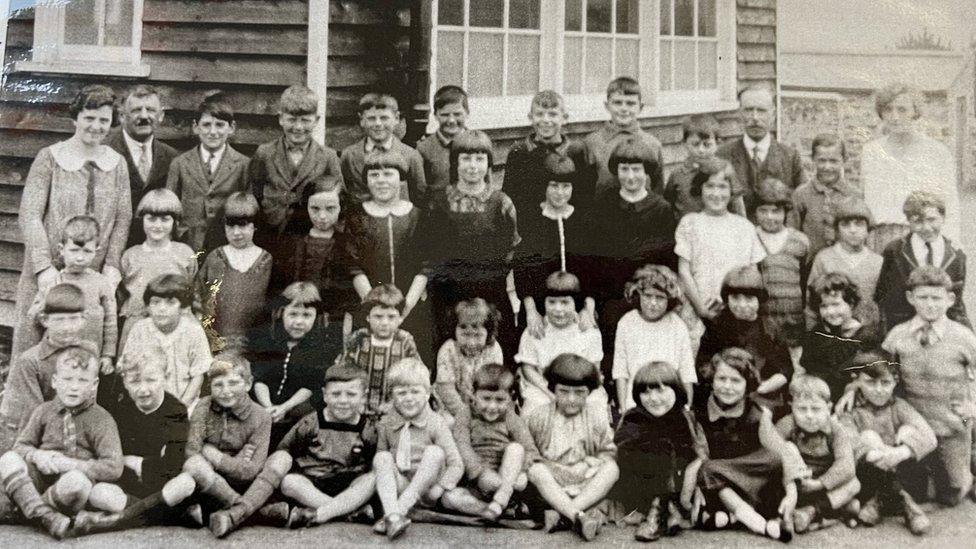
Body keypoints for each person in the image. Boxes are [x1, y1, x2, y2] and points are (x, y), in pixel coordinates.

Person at [13, 84, 131, 360]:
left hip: (92, 273)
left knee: (82, 347)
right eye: (89, 118)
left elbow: (123, 219)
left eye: (103, 120)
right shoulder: (50, 157)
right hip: (49, 270)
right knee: (35, 348)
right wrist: (43, 268)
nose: (96, 126)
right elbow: (29, 215)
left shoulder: (117, 163)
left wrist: (112, 265)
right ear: (75, 118)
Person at [0, 345, 124, 539]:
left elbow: (114, 467)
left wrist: (73, 465)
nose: (74, 386)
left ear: (94, 384)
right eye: (67, 379)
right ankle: (45, 516)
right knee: (8, 458)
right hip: (37, 480)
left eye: (82, 380)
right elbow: (20, 446)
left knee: (77, 482)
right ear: (55, 381)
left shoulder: (102, 419)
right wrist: (37, 455)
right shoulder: (43, 411)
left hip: (68, 489)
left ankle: (25, 510)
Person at [878, 266, 976, 507]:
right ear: (911, 298)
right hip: (913, 427)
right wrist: (852, 390)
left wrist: (973, 407)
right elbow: (878, 372)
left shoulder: (963, 337)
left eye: (936, 298)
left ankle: (966, 469)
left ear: (950, 299)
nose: (930, 305)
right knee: (915, 493)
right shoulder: (897, 336)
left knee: (951, 495)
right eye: (923, 298)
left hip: (952, 425)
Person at [424, 129, 520, 354]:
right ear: (455, 162)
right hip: (448, 295)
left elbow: (510, 251)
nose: (472, 165)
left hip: (490, 293)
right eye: (466, 158)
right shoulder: (438, 202)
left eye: (479, 158)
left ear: (488, 163)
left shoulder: (501, 203)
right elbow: (429, 250)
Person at [694, 348, 805, 542]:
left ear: (748, 385)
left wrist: (792, 493)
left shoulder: (757, 414)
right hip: (719, 482)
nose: (728, 386)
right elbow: (700, 454)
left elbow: (781, 452)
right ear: (712, 380)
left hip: (750, 478)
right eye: (722, 379)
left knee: (774, 459)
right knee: (706, 468)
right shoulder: (701, 413)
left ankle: (730, 517)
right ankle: (757, 523)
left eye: (736, 381)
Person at [591, 138, 677, 366]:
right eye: (624, 169)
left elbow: (668, 260)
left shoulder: (660, 209)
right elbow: (595, 258)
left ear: (647, 172)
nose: (630, 176)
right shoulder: (603, 205)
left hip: (647, 298)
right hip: (611, 298)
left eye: (636, 169)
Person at [836, 350, 938, 535]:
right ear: (856, 379)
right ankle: (907, 506)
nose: (879, 389)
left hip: (903, 473)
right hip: (868, 477)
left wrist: (899, 453)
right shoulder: (850, 409)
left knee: (908, 431)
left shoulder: (899, 406)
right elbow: (848, 439)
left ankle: (880, 502)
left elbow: (929, 437)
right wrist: (876, 454)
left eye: (886, 383)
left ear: (895, 381)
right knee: (868, 437)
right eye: (870, 382)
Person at [346, 149, 430, 358]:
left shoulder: (418, 216)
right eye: (374, 175)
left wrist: (405, 307)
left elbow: (426, 265)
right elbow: (353, 265)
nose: (381, 181)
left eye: (388, 174)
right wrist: (374, 305)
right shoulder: (357, 217)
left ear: (401, 178)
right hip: (371, 311)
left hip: (411, 307)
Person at [525, 353, 618, 541]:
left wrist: (594, 461)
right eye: (564, 391)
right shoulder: (539, 416)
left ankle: (565, 513)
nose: (572, 399)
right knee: (535, 470)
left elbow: (609, 451)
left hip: (583, 481)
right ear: (553, 390)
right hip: (552, 483)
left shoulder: (596, 416)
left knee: (612, 469)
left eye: (579, 393)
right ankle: (578, 515)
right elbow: (528, 451)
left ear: (589, 392)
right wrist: (545, 464)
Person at [611, 362, 707, 543]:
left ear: (677, 390)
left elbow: (700, 453)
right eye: (646, 392)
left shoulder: (685, 417)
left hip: (679, 485)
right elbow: (621, 450)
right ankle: (657, 512)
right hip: (641, 485)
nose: (653, 398)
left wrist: (688, 489)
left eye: (661, 390)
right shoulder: (634, 417)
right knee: (657, 446)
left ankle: (671, 510)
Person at [861, 82, 960, 252]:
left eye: (902, 109)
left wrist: (952, 246)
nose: (894, 117)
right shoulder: (871, 151)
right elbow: (865, 201)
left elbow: (950, 204)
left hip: (924, 235)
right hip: (880, 238)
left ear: (915, 112)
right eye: (888, 109)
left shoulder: (937, 152)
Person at [372, 357, 464, 540]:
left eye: (415, 392)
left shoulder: (436, 423)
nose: (408, 398)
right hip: (403, 486)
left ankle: (395, 513)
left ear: (427, 393)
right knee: (381, 457)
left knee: (435, 452)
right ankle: (394, 515)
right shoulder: (387, 424)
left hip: (429, 490)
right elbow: (381, 467)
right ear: (391, 396)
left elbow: (456, 465)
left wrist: (440, 487)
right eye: (401, 393)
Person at [277, 363, 378, 528]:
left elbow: (373, 460)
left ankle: (322, 512)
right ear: (325, 395)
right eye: (336, 394)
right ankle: (349, 513)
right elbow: (285, 450)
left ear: (363, 397)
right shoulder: (310, 423)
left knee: (373, 479)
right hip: (314, 483)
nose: (343, 401)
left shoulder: (367, 428)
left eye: (351, 394)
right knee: (289, 482)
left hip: (349, 486)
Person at [99, 351, 189, 527]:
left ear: (165, 377)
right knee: (100, 493)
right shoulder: (119, 407)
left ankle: (127, 518)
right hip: (129, 487)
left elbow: (172, 465)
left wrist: (134, 461)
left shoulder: (176, 411)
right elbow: (111, 458)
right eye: (134, 381)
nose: (143, 389)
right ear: (124, 382)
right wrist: (148, 463)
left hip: (163, 487)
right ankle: (165, 516)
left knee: (185, 483)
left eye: (151, 380)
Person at [248, 282, 343, 447]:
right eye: (293, 314)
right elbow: (260, 377)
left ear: (316, 316)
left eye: (306, 315)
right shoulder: (270, 339)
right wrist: (269, 407)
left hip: (296, 407)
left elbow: (310, 384)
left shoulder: (318, 347)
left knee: (306, 414)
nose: (299, 322)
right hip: (266, 404)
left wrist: (284, 408)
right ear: (282, 313)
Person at [442, 363, 539, 520]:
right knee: (448, 498)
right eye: (486, 399)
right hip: (475, 482)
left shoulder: (511, 418)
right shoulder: (465, 414)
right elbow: (462, 446)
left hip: (506, 477)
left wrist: (521, 472)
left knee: (516, 449)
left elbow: (530, 450)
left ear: (510, 398)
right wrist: (479, 473)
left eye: (500, 400)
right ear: (473, 395)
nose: (492, 406)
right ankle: (490, 510)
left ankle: (502, 498)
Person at [675, 157, 765, 325]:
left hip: (737, 311)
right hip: (699, 309)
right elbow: (684, 272)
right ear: (699, 188)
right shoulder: (690, 223)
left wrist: (741, 306)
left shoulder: (744, 227)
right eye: (710, 186)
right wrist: (701, 309)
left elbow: (752, 274)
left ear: (732, 191)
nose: (716, 193)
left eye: (722, 187)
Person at [513, 154, 596, 336]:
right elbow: (522, 270)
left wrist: (588, 309)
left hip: (576, 306)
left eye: (566, 186)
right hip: (540, 306)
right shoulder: (531, 220)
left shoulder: (583, 221)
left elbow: (591, 271)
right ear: (545, 186)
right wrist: (531, 311)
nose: (560, 193)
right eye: (554, 186)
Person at [0, 285, 88, 451]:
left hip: (80, 432)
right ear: (45, 320)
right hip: (42, 435)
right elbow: (36, 411)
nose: (67, 327)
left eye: (74, 319)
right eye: (60, 320)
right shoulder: (30, 360)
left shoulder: (88, 351)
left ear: (84, 319)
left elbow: (89, 399)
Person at [695, 266, 792, 417]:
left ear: (759, 299)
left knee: (760, 416)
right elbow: (703, 363)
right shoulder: (718, 326)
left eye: (748, 298)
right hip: (724, 389)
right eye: (735, 298)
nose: (741, 305)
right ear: (727, 299)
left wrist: (763, 387)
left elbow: (785, 370)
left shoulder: (769, 329)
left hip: (759, 392)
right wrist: (721, 382)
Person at [249, 84, 343, 239]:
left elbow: (340, 198)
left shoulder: (328, 156)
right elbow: (255, 194)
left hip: (310, 235)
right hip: (271, 234)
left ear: (316, 120)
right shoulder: (264, 153)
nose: (298, 127)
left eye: (305, 120)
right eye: (292, 120)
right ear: (281, 119)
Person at [25, 215, 117, 372]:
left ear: (96, 251)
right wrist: (43, 305)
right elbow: (34, 317)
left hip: (90, 356)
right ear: (62, 249)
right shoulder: (53, 282)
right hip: (57, 355)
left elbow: (110, 320)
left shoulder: (101, 283)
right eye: (74, 250)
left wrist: (108, 355)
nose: (80, 257)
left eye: (87, 251)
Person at [166, 93, 250, 255]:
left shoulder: (243, 164)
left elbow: (248, 210)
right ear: (195, 127)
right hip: (187, 244)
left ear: (231, 128)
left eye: (219, 125)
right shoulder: (180, 163)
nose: (213, 132)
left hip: (227, 244)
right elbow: (169, 208)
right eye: (206, 125)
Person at [774, 375, 859, 533]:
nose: (809, 415)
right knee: (785, 449)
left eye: (816, 409)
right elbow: (772, 449)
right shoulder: (787, 424)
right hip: (794, 483)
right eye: (802, 409)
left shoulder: (836, 430)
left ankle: (812, 511)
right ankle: (835, 512)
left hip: (822, 486)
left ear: (828, 408)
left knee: (854, 484)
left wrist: (820, 483)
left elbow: (846, 465)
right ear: (791, 406)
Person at [875, 190, 969, 332]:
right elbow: (882, 295)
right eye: (917, 221)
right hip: (904, 329)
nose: (926, 228)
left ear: (943, 217)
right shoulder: (895, 251)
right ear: (908, 221)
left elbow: (956, 302)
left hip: (944, 331)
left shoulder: (956, 254)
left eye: (932, 220)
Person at [516, 272, 606, 419]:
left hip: (581, 388)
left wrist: (574, 394)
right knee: (535, 410)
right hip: (543, 388)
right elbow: (528, 368)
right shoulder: (535, 330)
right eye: (551, 302)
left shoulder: (588, 331)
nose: (558, 309)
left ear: (575, 303)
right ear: (544, 302)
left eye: (564, 302)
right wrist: (550, 393)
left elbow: (594, 368)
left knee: (593, 408)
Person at [267, 181, 359, 326]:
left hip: (333, 318)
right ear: (306, 207)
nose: (322, 216)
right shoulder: (294, 242)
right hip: (297, 316)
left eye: (330, 209)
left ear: (341, 208)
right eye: (315, 208)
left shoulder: (347, 244)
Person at [117, 274, 212, 412]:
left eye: (170, 302)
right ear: (147, 307)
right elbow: (129, 370)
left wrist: (181, 406)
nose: (162, 309)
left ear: (183, 307)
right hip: (145, 403)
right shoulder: (140, 329)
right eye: (155, 302)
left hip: (184, 403)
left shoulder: (193, 331)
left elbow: (198, 376)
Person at [118, 188, 198, 342]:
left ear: (175, 221)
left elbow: (194, 292)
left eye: (165, 219)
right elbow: (121, 296)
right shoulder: (131, 255)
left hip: (176, 325)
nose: (157, 225)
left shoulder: (184, 253)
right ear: (142, 219)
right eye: (151, 219)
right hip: (138, 326)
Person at [612, 265, 695, 412]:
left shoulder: (677, 325)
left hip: (670, 402)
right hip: (637, 401)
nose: (653, 303)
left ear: (669, 300)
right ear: (638, 295)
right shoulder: (627, 323)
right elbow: (620, 370)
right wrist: (624, 408)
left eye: (660, 297)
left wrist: (686, 407)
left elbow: (686, 370)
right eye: (648, 296)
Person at [196, 192, 273, 349]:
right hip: (216, 341)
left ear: (254, 225)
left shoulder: (266, 260)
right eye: (230, 225)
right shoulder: (215, 258)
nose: (236, 232)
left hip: (254, 343)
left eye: (243, 225)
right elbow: (198, 294)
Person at [106, 84, 179, 248]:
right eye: (136, 110)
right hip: (112, 247)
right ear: (122, 116)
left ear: (161, 116)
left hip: (156, 249)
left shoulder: (171, 157)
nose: (144, 116)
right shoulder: (106, 151)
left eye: (151, 110)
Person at [716, 85, 804, 220]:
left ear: (773, 115)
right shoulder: (722, 155)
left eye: (762, 110)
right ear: (739, 114)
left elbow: (801, 205)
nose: (755, 117)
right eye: (748, 110)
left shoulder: (790, 157)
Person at [504, 90, 590, 214]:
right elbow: (509, 198)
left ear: (564, 118)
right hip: (528, 226)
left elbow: (582, 198)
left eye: (552, 114)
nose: (545, 120)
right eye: (539, 114)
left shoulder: (575, 152)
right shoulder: (519, 152)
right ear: (530, 117)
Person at [799, 272, 879, 403]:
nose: (830, 311)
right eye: (824, 306)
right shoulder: (817, 335)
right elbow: (809, 369)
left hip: (855, 400)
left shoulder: (867, 337)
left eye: (836, 304)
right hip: (820, 400)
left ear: (851, 303)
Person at [580, 77, 664, 200]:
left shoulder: (652, 144)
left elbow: (658, 190)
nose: (624, 109)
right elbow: (585, 191)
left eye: (630, 103)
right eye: (618, 103)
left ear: (641, 107)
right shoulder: (592, 143)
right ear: (607, 105)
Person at [753, 178, 810, 354]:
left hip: (793, 322)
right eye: (763, 210)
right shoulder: (749, 238)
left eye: (776, 211)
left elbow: (805, 281)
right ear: (755, 212)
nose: (770, 217)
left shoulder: (800, 241)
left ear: (785, 212)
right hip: (760, 322)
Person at [806, 197, 882, 328]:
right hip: (831, 335)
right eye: (845, 224)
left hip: (868, 335)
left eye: (859, 224)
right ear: (837, 229)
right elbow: (811, 305)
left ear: (868, 228)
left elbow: (883, 305)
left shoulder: (878, 262)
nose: (852, 230)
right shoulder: (824, 258)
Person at [345, 284, 419, 413]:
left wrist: (395, 405)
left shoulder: (405, 340)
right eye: (378, 316)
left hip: (395, 406)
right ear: (368, 317)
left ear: (400, 319)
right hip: (359, 405)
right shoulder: (359, 338)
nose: (384, 322)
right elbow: (344, 372)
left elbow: (416, 374)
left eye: (391, 317)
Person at [340, 93, 426, 203]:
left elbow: (419, 197)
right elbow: (343, 196)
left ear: (396, 118)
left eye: (384, 118)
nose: (378, 124)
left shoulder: (411, 156)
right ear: (361, 120)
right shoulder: (348, 155)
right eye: (371, 118)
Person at [791, 133, 862, 256]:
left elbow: (862, 233)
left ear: (844, 160)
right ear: (813, 159)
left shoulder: (854, 194)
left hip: (845, 263)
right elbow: (793, 232)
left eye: (833, 161)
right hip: (809, 266)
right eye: (822, 160)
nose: (827, 167)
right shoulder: (801, 194)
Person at [434, 298, 505, 419]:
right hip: (450, 406)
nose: (471, 343)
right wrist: (464, 416)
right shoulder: (448, 349)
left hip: (484, 405)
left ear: (488, 332)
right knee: (449, 424)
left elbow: (493, 386)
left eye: (477, 335)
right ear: (454, 329)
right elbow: (446, 390)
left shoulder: (493, 349)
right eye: (465, 334)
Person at [665, 113, 746, 217]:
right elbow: (669, 205)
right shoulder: (677, 174)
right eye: (695, 144)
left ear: (717, 143)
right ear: (684, 143)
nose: (701, 150)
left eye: (707, 145)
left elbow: (737, 205)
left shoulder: (725, 169)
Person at [416, 85, 469, 208]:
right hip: (438, 217)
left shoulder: (479, 144)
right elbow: (420, 192)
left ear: (467, 113)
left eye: (457, 114)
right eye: (445, 115)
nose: (451, 120)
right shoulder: (424, 149)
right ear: (435, 115)